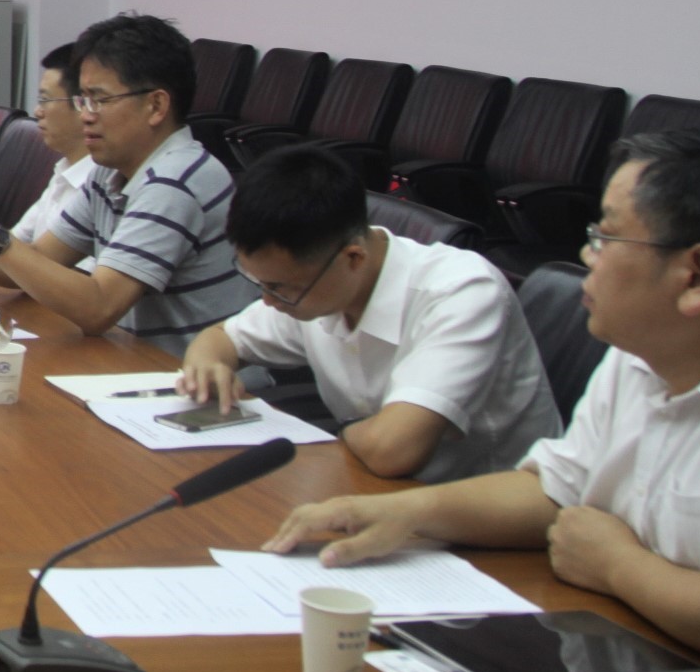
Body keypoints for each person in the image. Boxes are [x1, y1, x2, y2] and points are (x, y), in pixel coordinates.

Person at [266, 130, 700, 658]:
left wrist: (619, 566)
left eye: (607, 238)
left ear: (697, 275)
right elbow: (554, 491)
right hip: (617, 656)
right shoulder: (636, 357)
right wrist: (405, 512)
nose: (586, 254)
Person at [179, 145, 559, 480]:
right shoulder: (316, 280)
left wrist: (343, 431)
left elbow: (393, 451)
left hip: (485, 515)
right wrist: (209, 366)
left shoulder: (462, 292)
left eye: (279, 288)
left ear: (353, 258)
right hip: (373, 487)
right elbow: (219, 339)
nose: (268, 301)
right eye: (259, 283)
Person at [0, 12, 250, 351]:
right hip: (133, 360)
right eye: (82, 100)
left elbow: (99, 308)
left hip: (188, 373)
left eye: (99, 100)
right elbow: (37, 261)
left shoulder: (175, 180)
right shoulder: (110, 172)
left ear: (156, 105)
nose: (86, 115)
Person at [13, 43, 99, 244]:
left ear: (83, 104)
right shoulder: (65, 169)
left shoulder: (102, 184)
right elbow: (16, 242)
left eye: (45, 100)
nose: (37, 111)